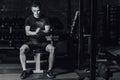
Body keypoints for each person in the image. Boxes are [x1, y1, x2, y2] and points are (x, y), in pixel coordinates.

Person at [19, 1, 55, 79]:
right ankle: (24, 71)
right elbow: (27, 33)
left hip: (42, 42)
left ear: (40, 9)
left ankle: (50, 70)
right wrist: (35, 32)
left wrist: (41, 32)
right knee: (22, 49)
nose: (36, 12)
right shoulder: (28, 19)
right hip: (32, 42)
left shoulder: (45, 19)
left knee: (52, 49)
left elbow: (48, 31)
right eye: (35, 10)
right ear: (32, 10)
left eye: (38, 10)